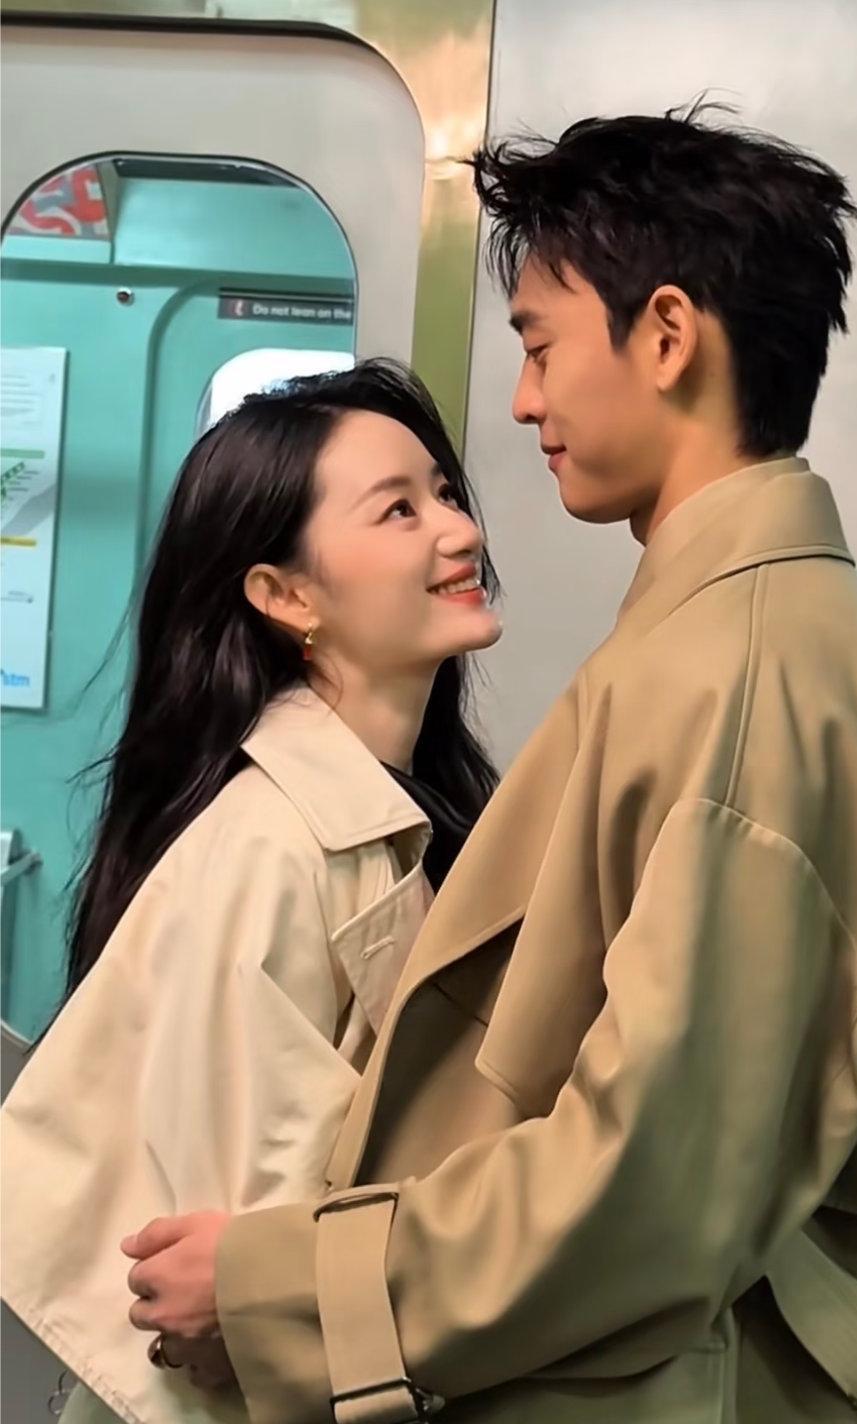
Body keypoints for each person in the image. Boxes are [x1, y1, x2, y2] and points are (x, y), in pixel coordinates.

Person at [121, 107, 857, 1424]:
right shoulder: (752, 637)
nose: (524, 402)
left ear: (667, 336)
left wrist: (278, 1286)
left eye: (540, 345)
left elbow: (652, 1186)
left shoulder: (742, 672)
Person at [0, 360, 502, 1424]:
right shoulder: (272, 844)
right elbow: (225, 1285)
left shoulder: (404, 814)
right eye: (400, 509)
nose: (459, 531)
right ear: (285, 596)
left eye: (446, 493)